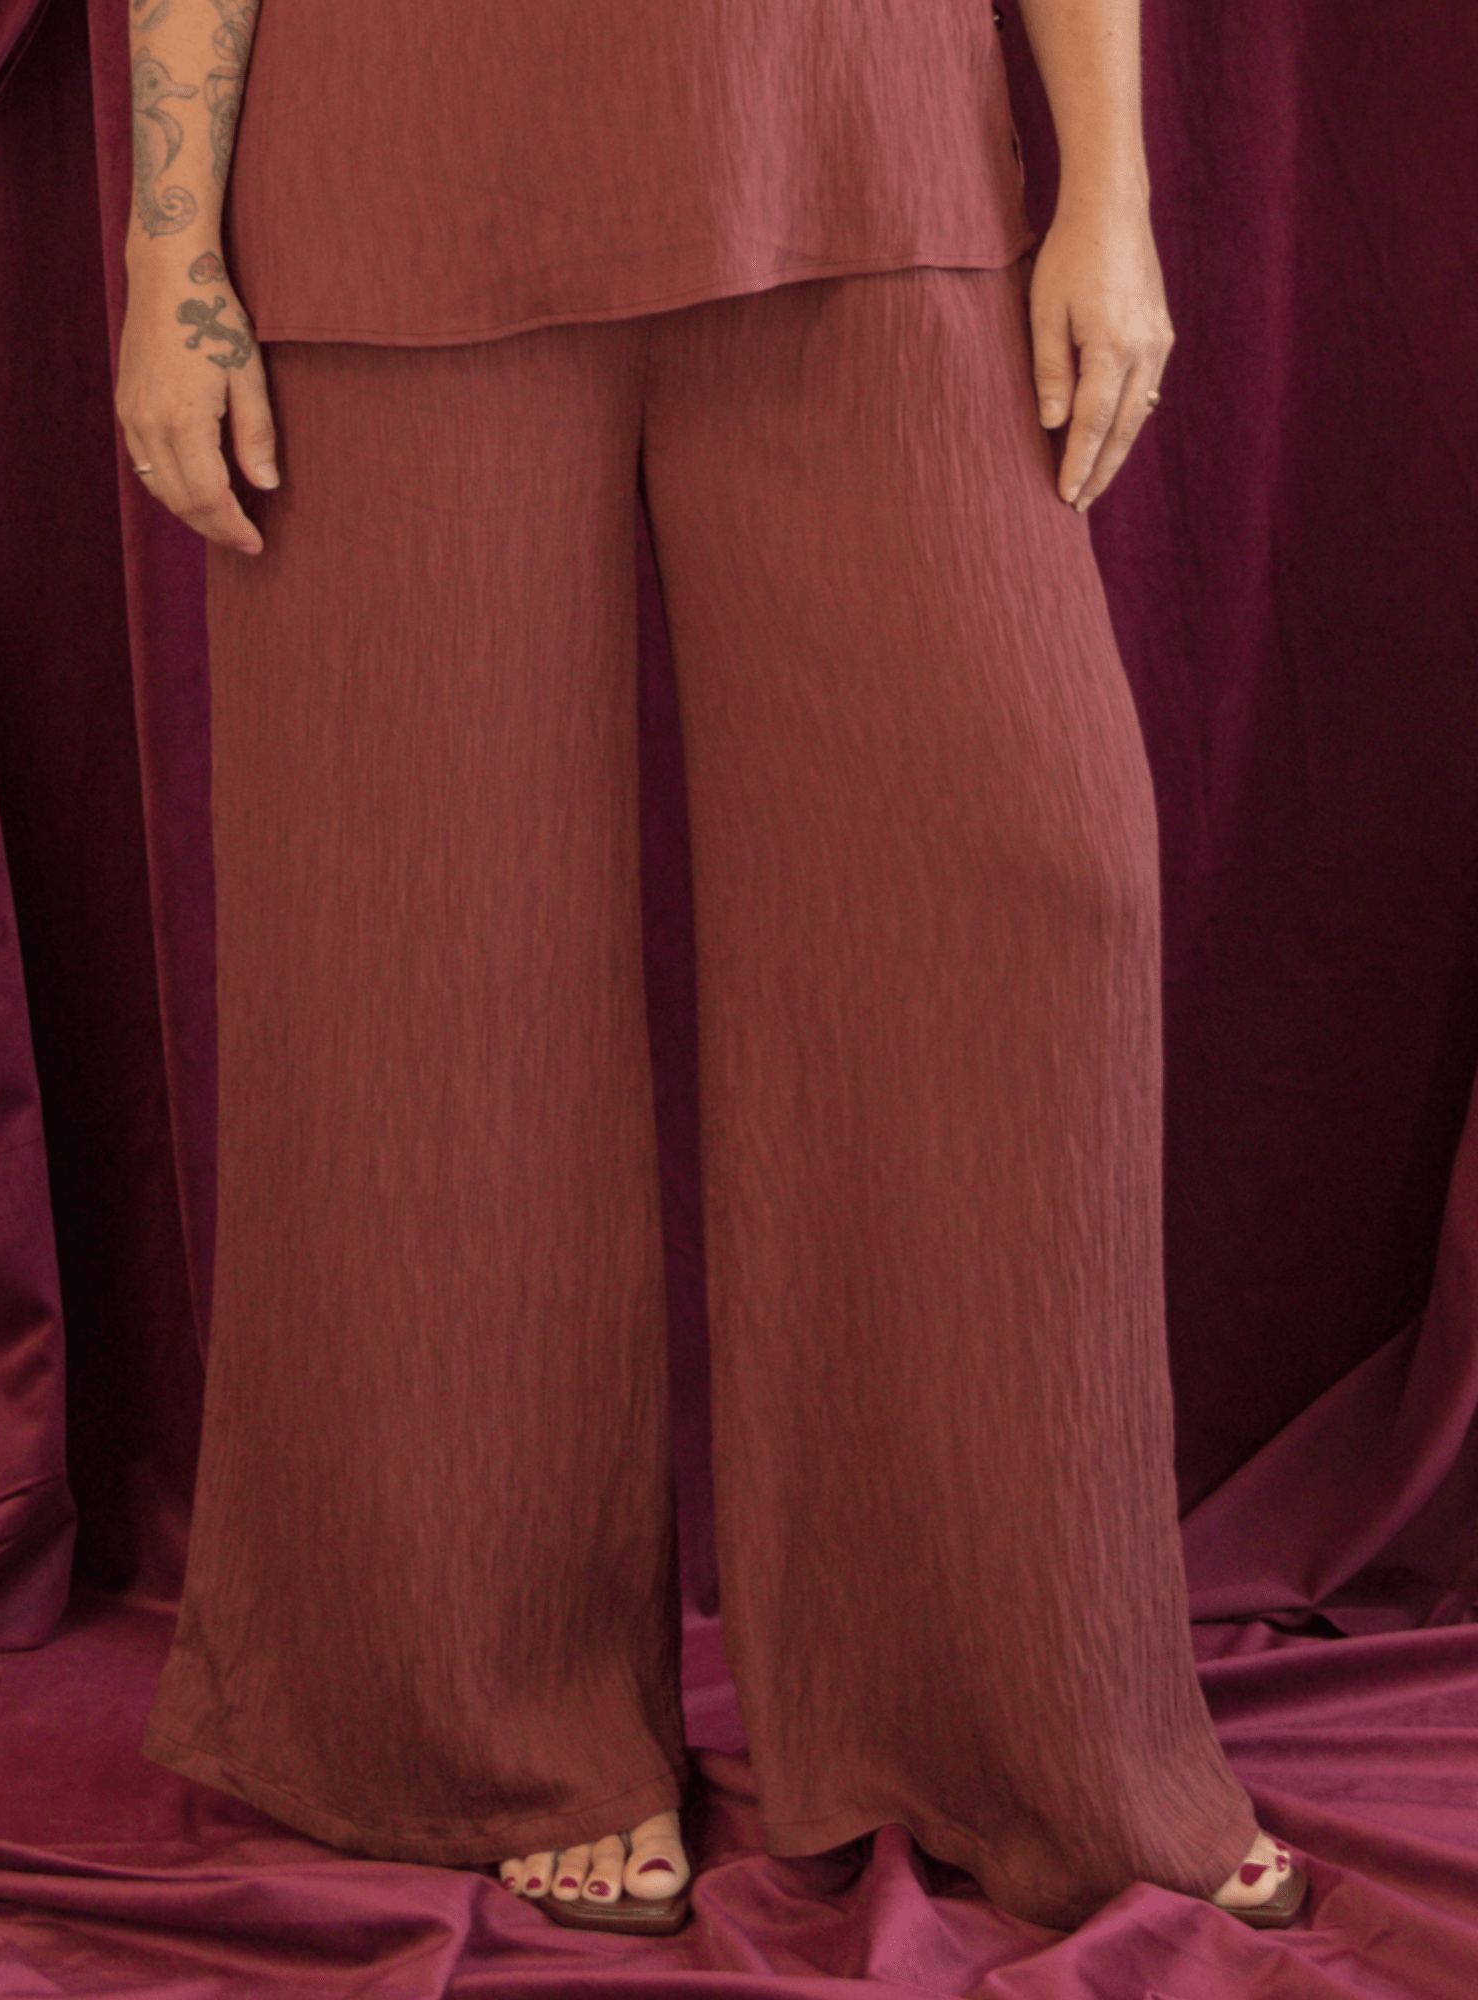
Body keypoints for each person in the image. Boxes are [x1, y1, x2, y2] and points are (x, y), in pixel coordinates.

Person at [115, 0, 1306, 1938]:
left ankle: (1034, 1720)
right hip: (390, 186)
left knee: (1025, 880)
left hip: (865, 151)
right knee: (423, 971)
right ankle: (483, 1727)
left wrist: (1108, 193)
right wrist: (171, 259)